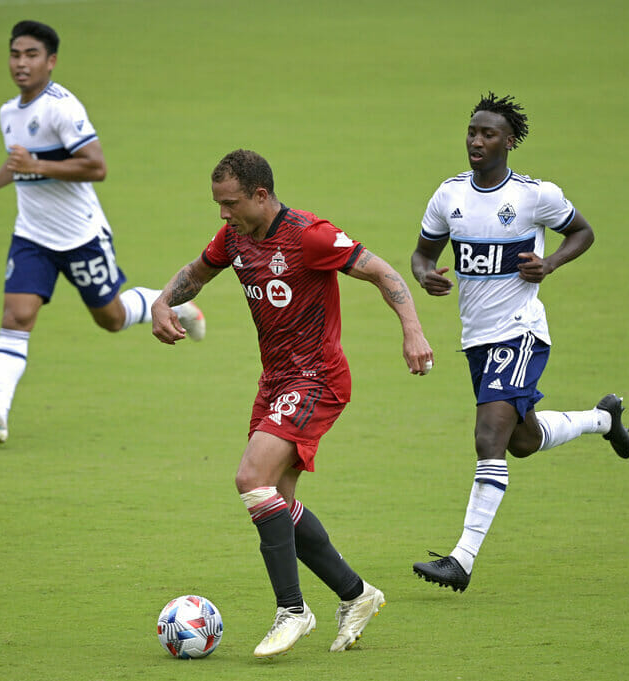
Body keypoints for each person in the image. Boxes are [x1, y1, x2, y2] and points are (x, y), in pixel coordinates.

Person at [151, 149, 433, 657]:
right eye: (217, 204)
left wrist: (412, 332)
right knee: (276, 497)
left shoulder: (310, 235)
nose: (222, 214)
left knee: (249, 479)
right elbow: (196, 272)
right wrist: (160, 302)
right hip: (276, 382)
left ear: (261, 195)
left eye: (230, 203)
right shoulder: (234, 237)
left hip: (317, 378)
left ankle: (293, 610)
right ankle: (357, 594)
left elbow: (384, 274)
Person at [409, 92, 629, 592]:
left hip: (521, 330)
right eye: (472, 132)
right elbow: (422, 254)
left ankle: (461, 560)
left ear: (509, 142)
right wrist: (427, 276)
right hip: (477, 340)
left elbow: (583, 231)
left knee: (489, 437)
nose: (476, 141)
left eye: (488, 134)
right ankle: (603, 418)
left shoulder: (535, 196)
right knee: (522, 441)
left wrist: (549, 264)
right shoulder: (449, 196)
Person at [0, 20, 204, 445]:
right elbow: (19, 159)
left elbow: (97, 166)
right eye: (15, 54)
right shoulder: (9, 112)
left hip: (81, 238)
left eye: (31, 55)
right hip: (32, 237)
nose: (21, 63)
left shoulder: (62, 108)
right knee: (15, 318)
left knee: (110, 319)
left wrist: (38, 166)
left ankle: (172, 306)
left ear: (51, 61)